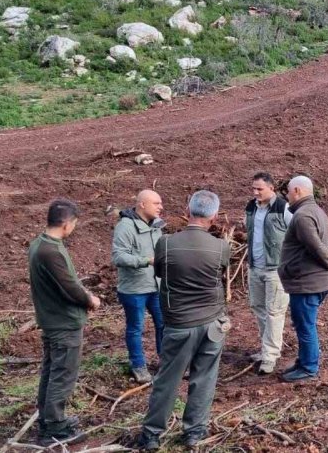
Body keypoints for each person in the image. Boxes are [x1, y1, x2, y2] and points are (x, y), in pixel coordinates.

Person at [136, 190, 231, 451]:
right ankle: (194, 433)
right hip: (212, 323)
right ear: (213, 217)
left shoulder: (165, 243)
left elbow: (159, 272)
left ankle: (152, 434)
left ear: (187, 212)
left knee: (167, 379)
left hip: (178, 324)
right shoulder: (221, 247)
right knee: (204, 378)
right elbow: (219, 277)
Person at [29, 199, 101, 446]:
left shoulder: (40, 244)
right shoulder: (51, 251)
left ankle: (49, 420)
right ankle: (54, 429)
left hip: (52, 320)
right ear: (68, 224)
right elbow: (69, 286)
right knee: (62, 375)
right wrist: (90, 299)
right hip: (63, 323)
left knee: (51, 372)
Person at [278, 175, 328, 383]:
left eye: (288, 191)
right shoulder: (315, 211)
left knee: (306, 327)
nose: (287, 196)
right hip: (312, 281)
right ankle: (304, 361)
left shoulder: (303, 215)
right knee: (305, 324)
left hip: (307, 283)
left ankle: (308, 367)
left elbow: (315, 246)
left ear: (297, 191)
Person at [112, 189, 165, 383]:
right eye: (157, 203)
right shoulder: (125, 227)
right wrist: (146, 261)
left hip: (157, 287)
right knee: (136, 328)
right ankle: (138, 365)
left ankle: (166, 363)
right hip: (134, 289)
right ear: (142, 204)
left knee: (164, 325)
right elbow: (118, 256)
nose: (161, 207)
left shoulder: (157, 226)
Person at [245, 172, 292, 375]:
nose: (256, 192)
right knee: (259, 307)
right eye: (253, 188)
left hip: (276, 269)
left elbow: (298, 232)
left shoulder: (284, 208)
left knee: (274, 312)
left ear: (271, 188)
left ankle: (270, 356)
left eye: (260, 189)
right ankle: (266, 349)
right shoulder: (250, 207)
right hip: (255, 266)